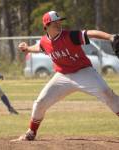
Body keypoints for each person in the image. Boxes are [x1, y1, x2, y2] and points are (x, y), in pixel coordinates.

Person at [14, 11, 119, 141]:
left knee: (107, 94)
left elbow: (90, 33)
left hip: (84, 72)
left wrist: (110, 37)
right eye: (55, 23)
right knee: (40, 102)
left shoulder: (69, 36)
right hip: (62, 77)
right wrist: (27, 48)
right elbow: (40, 47)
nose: (59, 24)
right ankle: (31, 132)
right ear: (46, 26)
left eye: (59, 22)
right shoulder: (44, 41)